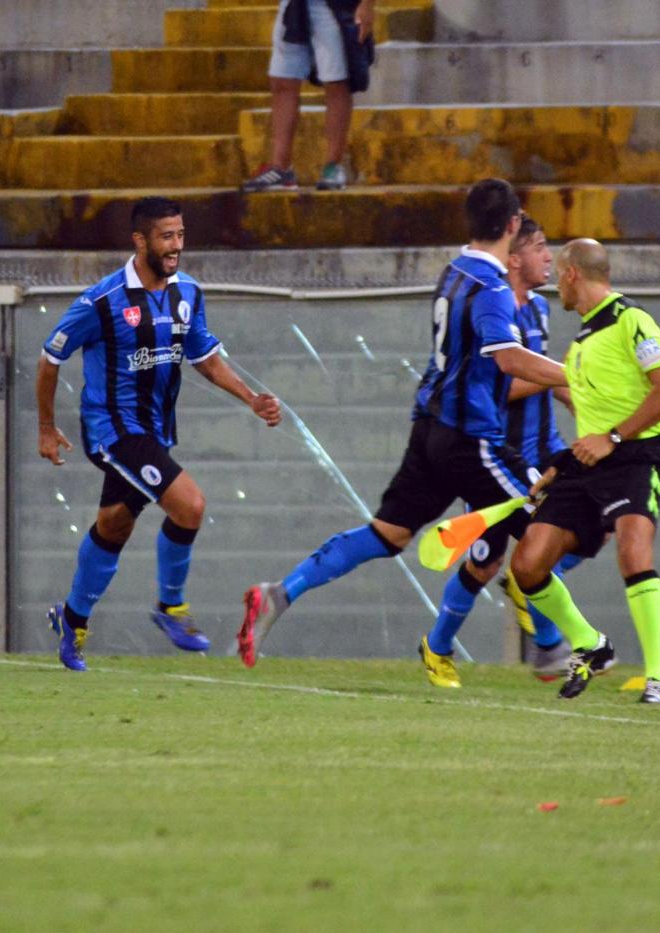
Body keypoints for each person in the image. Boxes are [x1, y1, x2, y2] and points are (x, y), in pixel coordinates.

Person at [239, 178, 569, 681]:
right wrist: (575, 375)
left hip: (431, 428)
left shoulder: (454, 272)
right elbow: (507, 358)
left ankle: (280, 594)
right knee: (548, 517)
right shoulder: (492, 286)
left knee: (388, 534)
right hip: (470, 437)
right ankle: (558, 647)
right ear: (512, 224)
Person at [37, 196, 282, 671]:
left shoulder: (187, 292)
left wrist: (251, 398)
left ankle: (72, 619)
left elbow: (205, 359)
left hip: (155, 432)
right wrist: (47, 428)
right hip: (113, 431)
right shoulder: (103, 301)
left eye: (181, 235)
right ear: (140, 240)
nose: (176, 246)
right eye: (166, 237)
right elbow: (50, 359)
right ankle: (171, 606)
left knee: (114, 523)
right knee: (190, 505)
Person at [509, 238, 660, 705]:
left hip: (635, 456)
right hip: (587, 465)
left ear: (572, 274)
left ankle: (658, 679)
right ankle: (591, 644)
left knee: (633, 551)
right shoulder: (582, 342)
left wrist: (613, 438)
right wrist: (561, 465)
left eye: (558, 275)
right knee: (526, 564)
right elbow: (589, 419)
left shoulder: (632, 320)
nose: (556, 285)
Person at [495, 217, 584, 681]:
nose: (549, 257)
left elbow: (546, 377)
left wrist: (580, 404)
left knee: (600, 519)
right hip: (512, 451)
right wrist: (563, 374)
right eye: (539, 247)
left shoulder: (539, 309)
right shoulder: (495, 310)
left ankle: (526, 582)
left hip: (548, 441)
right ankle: (551, 647)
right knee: (494, 559)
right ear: (514, 258)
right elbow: (503, 388)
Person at [240, 0, 375, 192]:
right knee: (283, 79)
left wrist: (367, 5)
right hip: (294, 5)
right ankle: (281, 168)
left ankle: (333, 166)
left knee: (336, 81)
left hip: (334, 6)